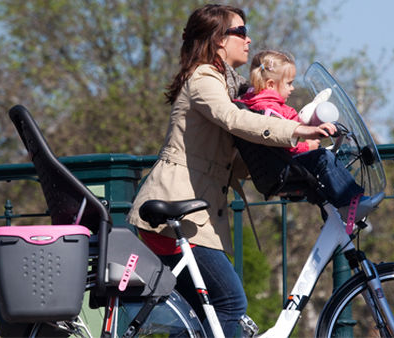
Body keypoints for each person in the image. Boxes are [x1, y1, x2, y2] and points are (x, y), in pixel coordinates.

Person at [127, 5, 336, 337]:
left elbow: (239, 155)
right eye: (240, 32)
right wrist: (297, 131)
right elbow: (234, 120)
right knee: (229, 304)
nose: (249, 39)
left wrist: (296, 155)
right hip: (177, 213)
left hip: (192, 212)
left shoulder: (232, 85)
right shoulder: (204, 78)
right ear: (218, 39)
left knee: (199, 319)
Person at [236, 50, 364, 208]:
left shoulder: (256, 104)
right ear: (270, 85)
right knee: (322, 158)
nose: (293, 88)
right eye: (289, 83)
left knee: (321, 184)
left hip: (275, 168)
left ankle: (338, 213)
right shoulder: (268, 110)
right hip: (282, 168)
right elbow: (280, 141)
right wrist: (307, 147)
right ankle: (353, 202)